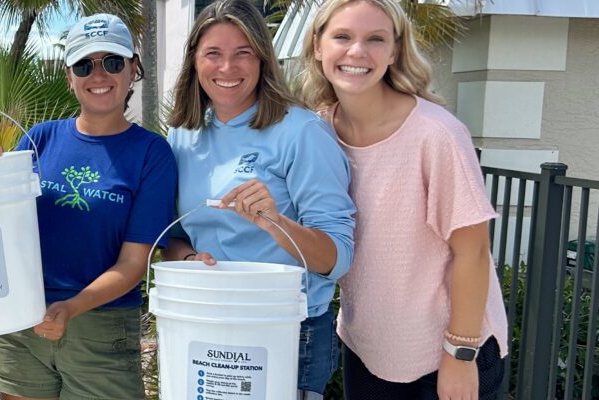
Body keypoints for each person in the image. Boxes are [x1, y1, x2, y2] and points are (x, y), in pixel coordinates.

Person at [299, 1, 509, 398]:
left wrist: (459, 354)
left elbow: (473, 253)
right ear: (318, 47)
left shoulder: (437, 134)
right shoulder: (318, 130)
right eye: (342, 37)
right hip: (366, 347)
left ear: (395, 51)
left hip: (444, 355)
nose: (357, 52)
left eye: (375, 39)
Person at [0, 13, 177, 400]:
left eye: (112, 62)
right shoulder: (39, 139)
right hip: (22, 319)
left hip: (101, 328)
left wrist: (71, 307)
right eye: (84, 65)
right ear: (69, 76)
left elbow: (135, 263)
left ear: (134, 70)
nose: (98, 75)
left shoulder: (151, 154)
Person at [162, 1, 356, 398]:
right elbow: (173, 237)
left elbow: (338, 259)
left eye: (243, 53)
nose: (227, 68)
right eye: (213, 53)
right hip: (207, 322)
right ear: (194, 62)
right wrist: (187, 259)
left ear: (263, 60)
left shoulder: (301, 133)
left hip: (286, 330)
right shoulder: (182, 135)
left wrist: (275, 222)